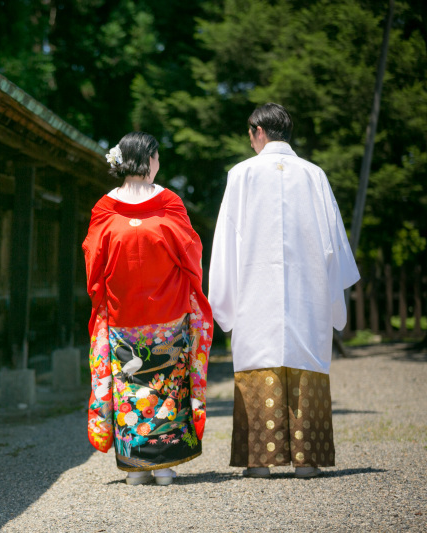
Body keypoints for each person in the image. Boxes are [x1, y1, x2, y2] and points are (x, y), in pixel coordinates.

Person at [208, 103, 360, 479]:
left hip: (253, 290)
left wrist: (222, 301)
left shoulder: (240, 174)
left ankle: (259, 462)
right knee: (306, 355)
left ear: (258, 131)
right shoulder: (314, 175)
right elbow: (334, 242)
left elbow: (226, 241)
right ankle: (307, 461)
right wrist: (332, 295)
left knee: (257, 356)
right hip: (308, 290)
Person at [84, 131, 212, 486]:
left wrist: (103, 299)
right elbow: (190, 255)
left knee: (128, 387)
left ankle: (134, 465)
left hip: (123, 315)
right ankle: (165, 466)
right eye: (156, 158)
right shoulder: (169, 203)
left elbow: (93, 263)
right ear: (149, 160)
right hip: (167, 315)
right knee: (167, 386)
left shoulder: (104, 209)